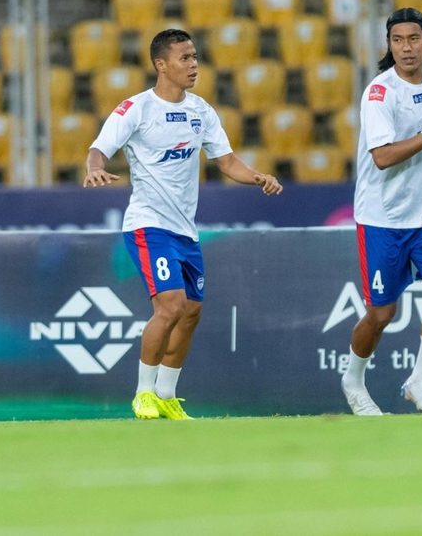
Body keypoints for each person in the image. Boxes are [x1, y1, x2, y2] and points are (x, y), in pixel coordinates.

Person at [83, 28, 282, 420]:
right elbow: (98, 148)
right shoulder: (136, 108)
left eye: (195, 57)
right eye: (184, 58)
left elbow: (227, 162)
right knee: (171, 305)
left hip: (185, 231)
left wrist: (258, 177)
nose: (193, 65)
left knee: (191, 312)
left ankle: (166, 395)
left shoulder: (201, 111)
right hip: (148, 224)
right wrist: (94, 168)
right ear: (161, 65)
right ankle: (143, 393)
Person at [340, 7, 422, 416]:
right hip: (383, 218)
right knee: (382, 313)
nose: (406, 48)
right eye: (397, 40)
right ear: (389, 45)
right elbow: (382, 157)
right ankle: (353, 380)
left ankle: (418, 380)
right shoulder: (379, 94)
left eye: (414, 39)